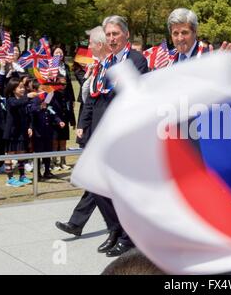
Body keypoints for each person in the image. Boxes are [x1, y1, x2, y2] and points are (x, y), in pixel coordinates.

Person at [76, 16, 148, 257]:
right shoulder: (106, 63)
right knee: (98, 186)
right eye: (108, 34)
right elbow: (95, 97)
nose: (111, 38)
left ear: (126, 35)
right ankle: (115, 229)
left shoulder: (135, 60)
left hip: (123, 133)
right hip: (101, 132)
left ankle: (129, 238)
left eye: (116, 33)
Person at [56, 26, 113, 241]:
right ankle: (78, 223)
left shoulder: (113, 67)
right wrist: (82, 125)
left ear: (100, 44)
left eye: (90, 43)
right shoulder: (97, 68)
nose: (88, 48)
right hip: (95, 131)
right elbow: (88, 101)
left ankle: (118, 228)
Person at [2, 77, 37, 187]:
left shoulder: (24, 100)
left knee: (22, 153)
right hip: (12, 132)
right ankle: (10, 179)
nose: (23, 90)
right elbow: (16, 104)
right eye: (20, 88)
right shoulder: (10, 100)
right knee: (10, 155)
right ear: (13, 89)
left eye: (23, 88)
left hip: (22, 131)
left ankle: (22, 176)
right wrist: (28, 96)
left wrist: (30, 127)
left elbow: (29, 115)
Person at [28, 80, 65, 179]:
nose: (44, 90)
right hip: (38, 131)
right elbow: (32, 110)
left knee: (47, 151)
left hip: (48, 130)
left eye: (45, 88)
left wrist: (59, 121)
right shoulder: (35, 100)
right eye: (42, 89)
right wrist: (40, 106)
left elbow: (52, 112)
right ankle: (37, 173)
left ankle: (47, 171)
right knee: (38, 152)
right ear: (36, 90)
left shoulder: (48, 100)